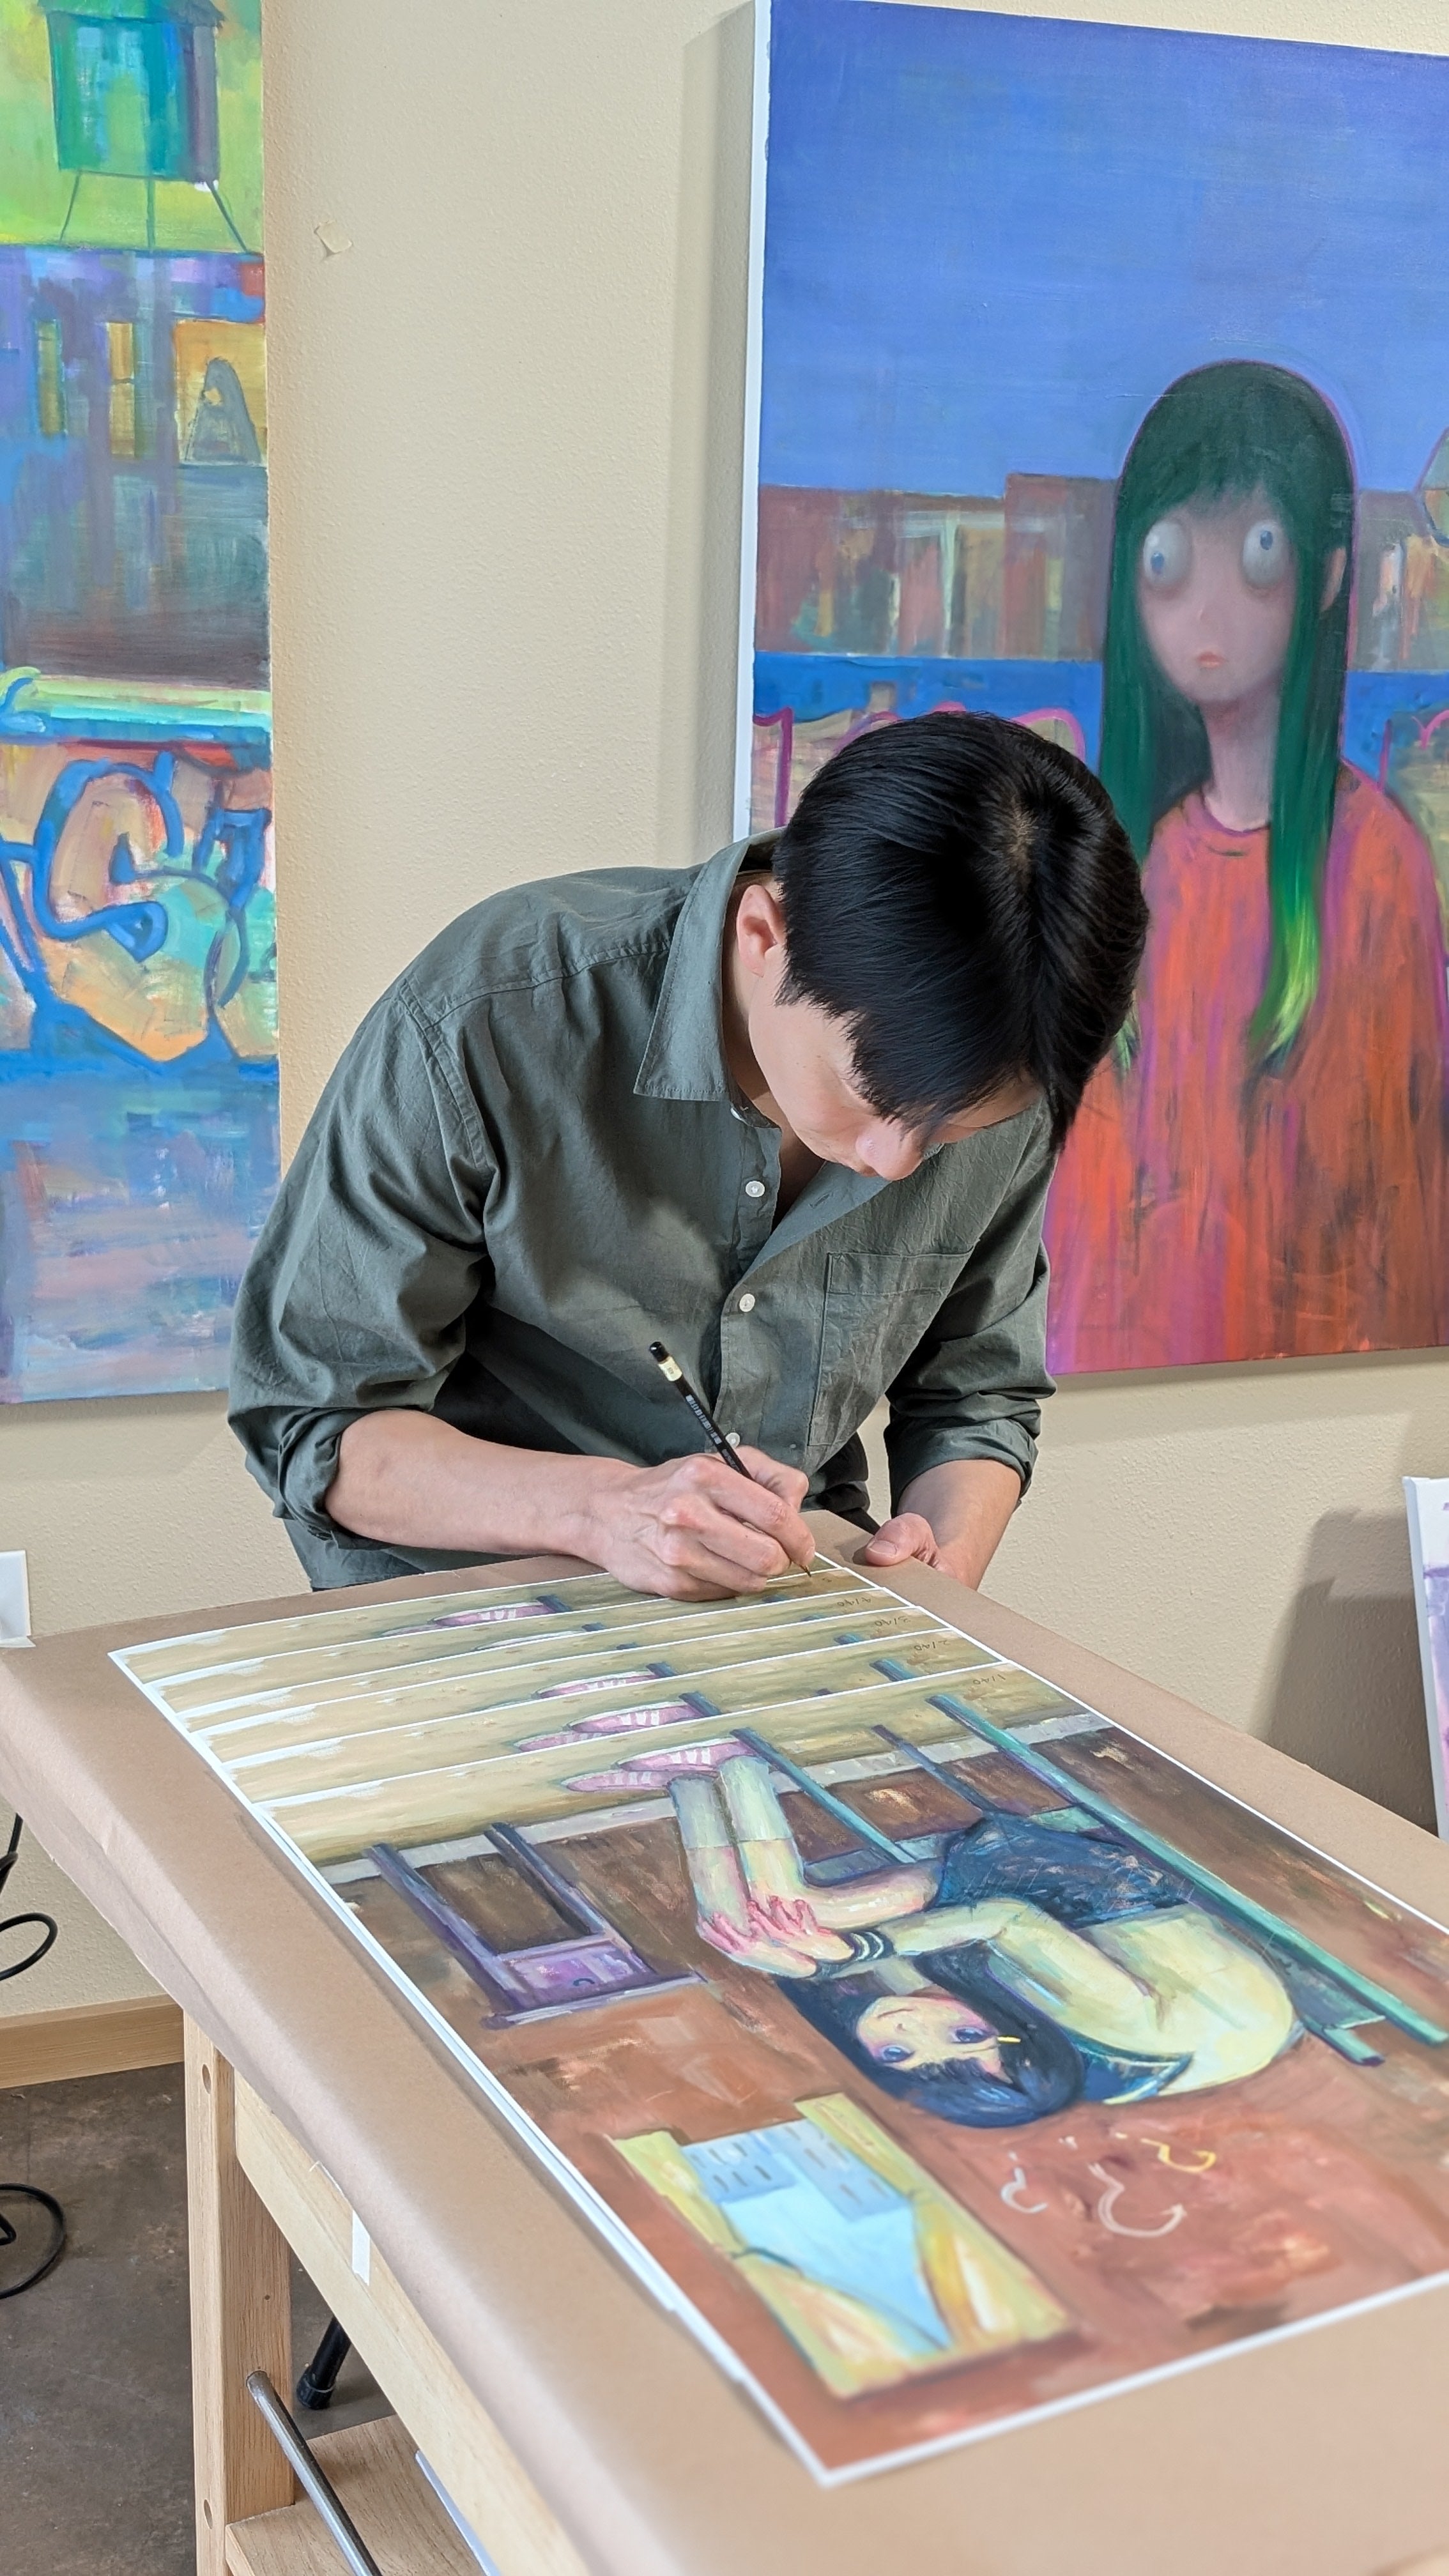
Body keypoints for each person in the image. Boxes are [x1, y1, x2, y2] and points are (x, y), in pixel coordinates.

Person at [229, 712, 1146, 1596]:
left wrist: (938, 1557)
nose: (898, 1163)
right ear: (763, 937)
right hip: (471, 1624)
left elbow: (974, 1396)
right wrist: (605, 1512)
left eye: (952, 1129)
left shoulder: (1005, 1061)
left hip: (786, 1615)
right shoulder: (493, 1013)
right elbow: (316, 1422)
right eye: (874, 1098)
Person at [1046, 360, 1449, 1370]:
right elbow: (1085, 1208)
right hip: (1110, 1396)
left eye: (1258, 551)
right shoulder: (1128, 867)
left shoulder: (1374, 867)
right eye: (1169, 559)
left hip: (1307, 1394)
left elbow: (1408, 1199)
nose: (1206, 607)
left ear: (1324, 574)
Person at [672, 1751, 1298, 2129]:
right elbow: (1007, 1919)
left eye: (895, 2053)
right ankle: (730, 1762)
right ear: (1020, 2047)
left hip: (1056, 1924)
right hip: (1080, 1889)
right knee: (813, 1910)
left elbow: (925, 1985)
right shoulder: (1121, 2033)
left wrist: (801, 1965)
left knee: (768, 1931)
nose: (909, 2026)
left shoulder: (1038, 2059)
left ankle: (689, 1785)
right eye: (965, 2036)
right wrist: (855, 1954)